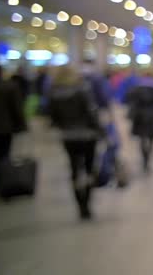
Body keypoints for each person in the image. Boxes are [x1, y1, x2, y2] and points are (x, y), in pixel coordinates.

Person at [46, 66, 102, 220]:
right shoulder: (83, 88)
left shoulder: (54, 92)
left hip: (68, 136)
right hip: (88, 135)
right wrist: (100, 130)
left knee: (74, 169)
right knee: (90, 168)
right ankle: (87, 202)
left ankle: (80, 204)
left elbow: (51, 115)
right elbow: (91, 111)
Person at [0, 61, 27, 194]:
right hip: (3, 128)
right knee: (3, 155)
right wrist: (21, 126)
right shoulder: (9, 86)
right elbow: (17, 108)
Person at [123, 70, 153, 173]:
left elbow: (126, 98)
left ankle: (144, 158)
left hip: (139, 117)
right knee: (151, 138)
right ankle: (148, 157)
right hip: (152, 116)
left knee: (142, 138)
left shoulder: (137, 88)